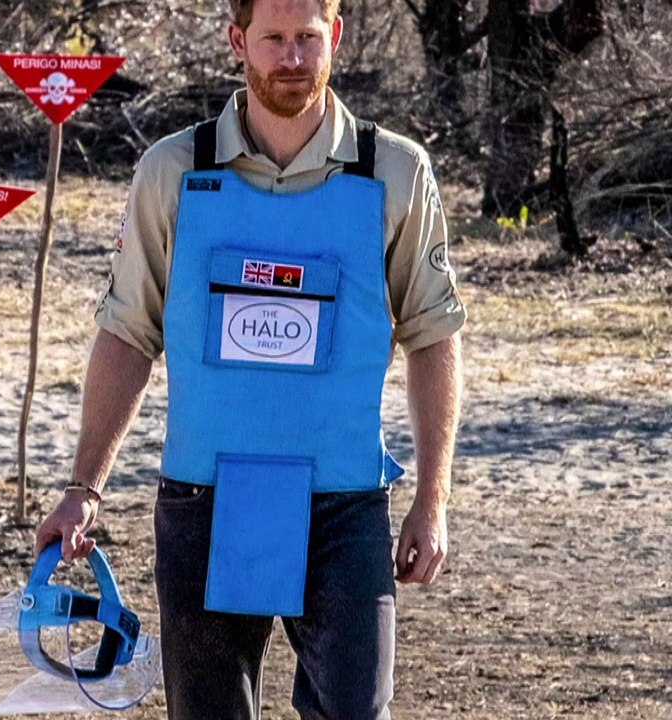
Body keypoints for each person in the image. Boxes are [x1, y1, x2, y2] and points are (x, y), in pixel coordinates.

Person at [33, 0, 465, 718]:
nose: (292, 58)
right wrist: (85, 487)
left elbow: (434, 335)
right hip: (202, 502)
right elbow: (127, 333)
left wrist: (432, 500)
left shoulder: (394, 171)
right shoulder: (174, 170)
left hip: (344, 504)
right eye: (273, 39)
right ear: (238, 40)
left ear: (336, 36)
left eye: (308, 38)